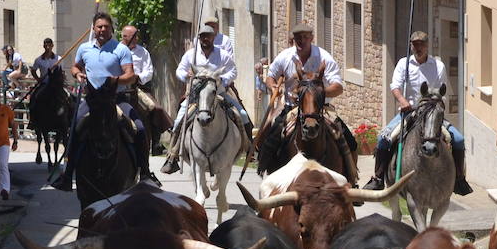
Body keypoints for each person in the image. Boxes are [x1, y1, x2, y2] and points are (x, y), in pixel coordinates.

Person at [363, 30, 470, 195]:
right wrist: (403, 101)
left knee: (458, 139)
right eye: (415, 44)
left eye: (422, 44)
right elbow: (395, 86)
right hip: (409, 112)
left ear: (427, 46)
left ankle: (459, 179)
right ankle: (378, 178)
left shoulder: (438, 66)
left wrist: (434, 105)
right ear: (411, 46)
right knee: (383, 138)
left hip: (431, 112)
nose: (418, 48)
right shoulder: (403, 64)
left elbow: (441, 91)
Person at [58, 11, 155, 189]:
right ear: (93, 29)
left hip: (116, 100)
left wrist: (114, 80)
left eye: (106, 27)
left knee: (139, 128)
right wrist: (77, 73)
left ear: (112, 29)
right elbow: (75, 66)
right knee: (75, 127)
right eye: (99, 26)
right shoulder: (84, 48)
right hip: (92, 100)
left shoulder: (121, 49)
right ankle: (68, 173)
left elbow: (130, 75)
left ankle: (145, 172)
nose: (103, 29)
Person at [258, 23, 355, 173]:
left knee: (348, 139)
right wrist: (273, 87)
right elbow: (271, 76)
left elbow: (338, 87)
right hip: (292, 107)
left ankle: (351, 176)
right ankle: (266, 170)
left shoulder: (324, 57)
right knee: (271, 134)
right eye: (298, 38)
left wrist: (318, 94)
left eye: (305, 37)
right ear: (294, 39)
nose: (301, 41)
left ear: (311, 38)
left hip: (321, 108)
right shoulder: (285, 56)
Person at [164, 24, 253, 173]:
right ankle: (172, 155)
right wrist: (186, 75)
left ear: (213, 38)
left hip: (219, 93)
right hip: (196, 97)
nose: (205, 39)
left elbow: (233, 71)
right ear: (199, 38)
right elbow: (179, 70)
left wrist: (222, 80)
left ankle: (248, 148)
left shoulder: (223, 55)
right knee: (180, 119)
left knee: (242, 114)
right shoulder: (191, 54)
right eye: (202, 36)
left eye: (208, 36)